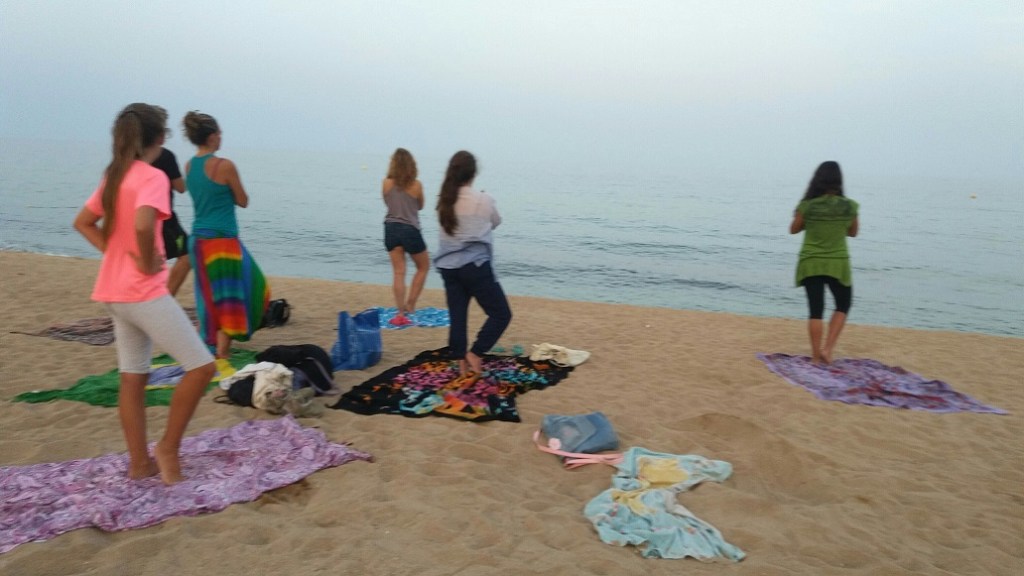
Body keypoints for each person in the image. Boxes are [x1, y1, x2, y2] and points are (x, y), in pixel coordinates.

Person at [72, 103, 216, 485]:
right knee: (202, 368)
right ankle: (167, 447)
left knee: (133, 378)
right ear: (158, 139)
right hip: (141, 291)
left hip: (114, 291)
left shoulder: (114, 176)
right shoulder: (152, 177)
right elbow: (142, 223)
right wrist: (143, 259)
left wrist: (114, 253)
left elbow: (83, 222)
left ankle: (140, 463)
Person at [182, 110, 270, 358]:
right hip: (221, 242)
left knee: (209, 298)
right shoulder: (224, 165)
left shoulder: (189, 166)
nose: (221, 137)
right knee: (239, 294)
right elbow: (243, 200)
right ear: (211, 137)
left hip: (197, 240)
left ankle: (212, 346)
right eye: (219, 133)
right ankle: (222, 351)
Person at [434, 151, 512, 378]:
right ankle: (475, 353)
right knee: (501, 314)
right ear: (473, 173)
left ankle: (460, 362)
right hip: (475, 266)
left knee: (458, 316)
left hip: (449, 267)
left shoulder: (444, 201)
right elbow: (496, 221)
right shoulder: (482, 200)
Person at [789, 161, 859, 365]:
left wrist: (803, 217)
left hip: (811, 262)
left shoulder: (808, 205)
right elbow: (853, 232)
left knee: (815, 309)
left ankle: (814, 357)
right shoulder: (849, 206)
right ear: (839, 180)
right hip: (837, 262)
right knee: (843, 303)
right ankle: (828, 349)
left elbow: (793, 229)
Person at [382, 148, 429, 326]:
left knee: (399, 272)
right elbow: (421, 206)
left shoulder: (386, 183)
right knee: (423, 267)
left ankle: (400, 310)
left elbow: (387, 202)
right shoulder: (416, 185)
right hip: (410, 228)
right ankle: (411, 304)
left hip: (391, 227)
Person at [150, 109, 192, 296]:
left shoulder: (131, 156)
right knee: (187, 254)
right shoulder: (165, 156)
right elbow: (180, 187)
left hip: (135, 215)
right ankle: (167, 296)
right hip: (164, 218)